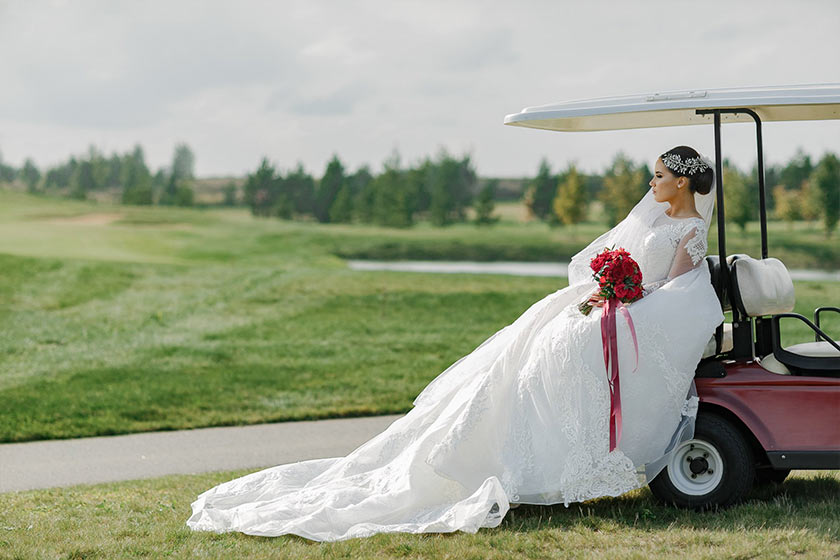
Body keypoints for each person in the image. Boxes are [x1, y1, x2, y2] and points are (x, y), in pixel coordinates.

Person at [187, 145, 725, 542]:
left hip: (640, 312)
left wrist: (623, 295)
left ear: (681, 183)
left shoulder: (690, 231)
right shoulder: (653, 217)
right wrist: (608, 287)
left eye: (659, 176)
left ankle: (549, 457)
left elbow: (673, 289)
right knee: (536, 340)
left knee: (568, 343)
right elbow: (626, 262)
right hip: (618, 303)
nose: (651, 183)